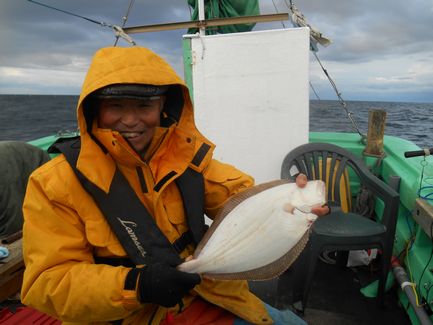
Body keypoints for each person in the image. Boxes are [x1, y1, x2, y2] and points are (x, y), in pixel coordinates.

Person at [21, 46, 328, 325]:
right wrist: (136, 287)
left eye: (144, 106)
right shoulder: (53, 184)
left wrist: (286, 197)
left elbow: (240, 198)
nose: (130, 120)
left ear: (163, 108)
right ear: (94, 111)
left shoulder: (188, 159)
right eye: (115, 106)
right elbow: (47, 282)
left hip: (208, 295)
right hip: (126, 316)